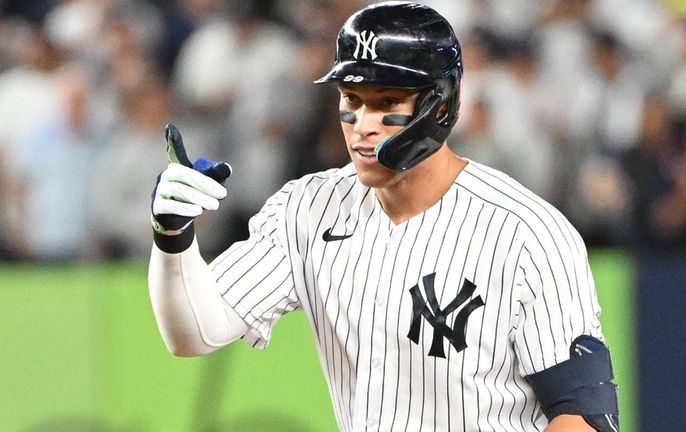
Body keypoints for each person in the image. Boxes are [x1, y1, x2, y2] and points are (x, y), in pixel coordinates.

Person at [148, 2, 619, 431]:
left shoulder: (526, 233)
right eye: (352, 99)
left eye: (387, 102)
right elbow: (194, 332)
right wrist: (173, 239)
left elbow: (585, 417)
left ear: (441, 104)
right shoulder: (306, 210)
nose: (363, 124)